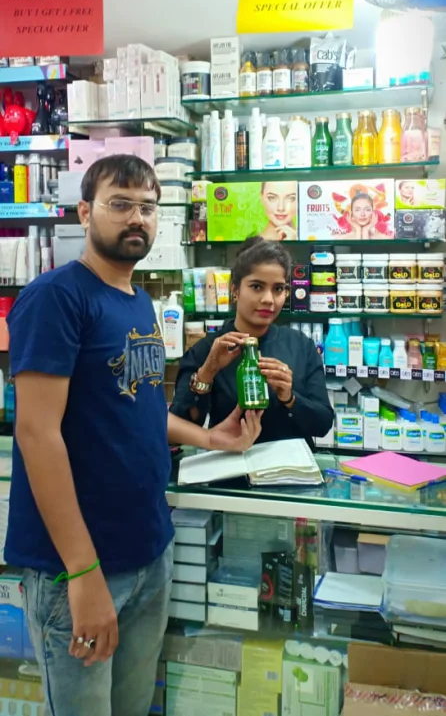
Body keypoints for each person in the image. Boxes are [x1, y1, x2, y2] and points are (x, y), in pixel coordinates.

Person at [6, 154, 262, 716]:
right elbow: (36, 434)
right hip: (79, 566)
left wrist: (213, 439)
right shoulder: (56, 297)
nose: (136, 218)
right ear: (85, 212)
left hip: (148, 551)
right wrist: (82, 571)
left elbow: (139, 409)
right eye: (120, 204)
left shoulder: (138, 300)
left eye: (148, 207)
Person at [171, 237, 333, 444]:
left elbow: (323, 425)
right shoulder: (207, 350)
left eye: (278, 289)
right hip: (232, 461)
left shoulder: (301, 346)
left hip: (291, 463)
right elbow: (178, 431)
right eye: (257, 287)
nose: (268, 299)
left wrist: (290, 398)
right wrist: (207, 373)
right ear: (235, 290)